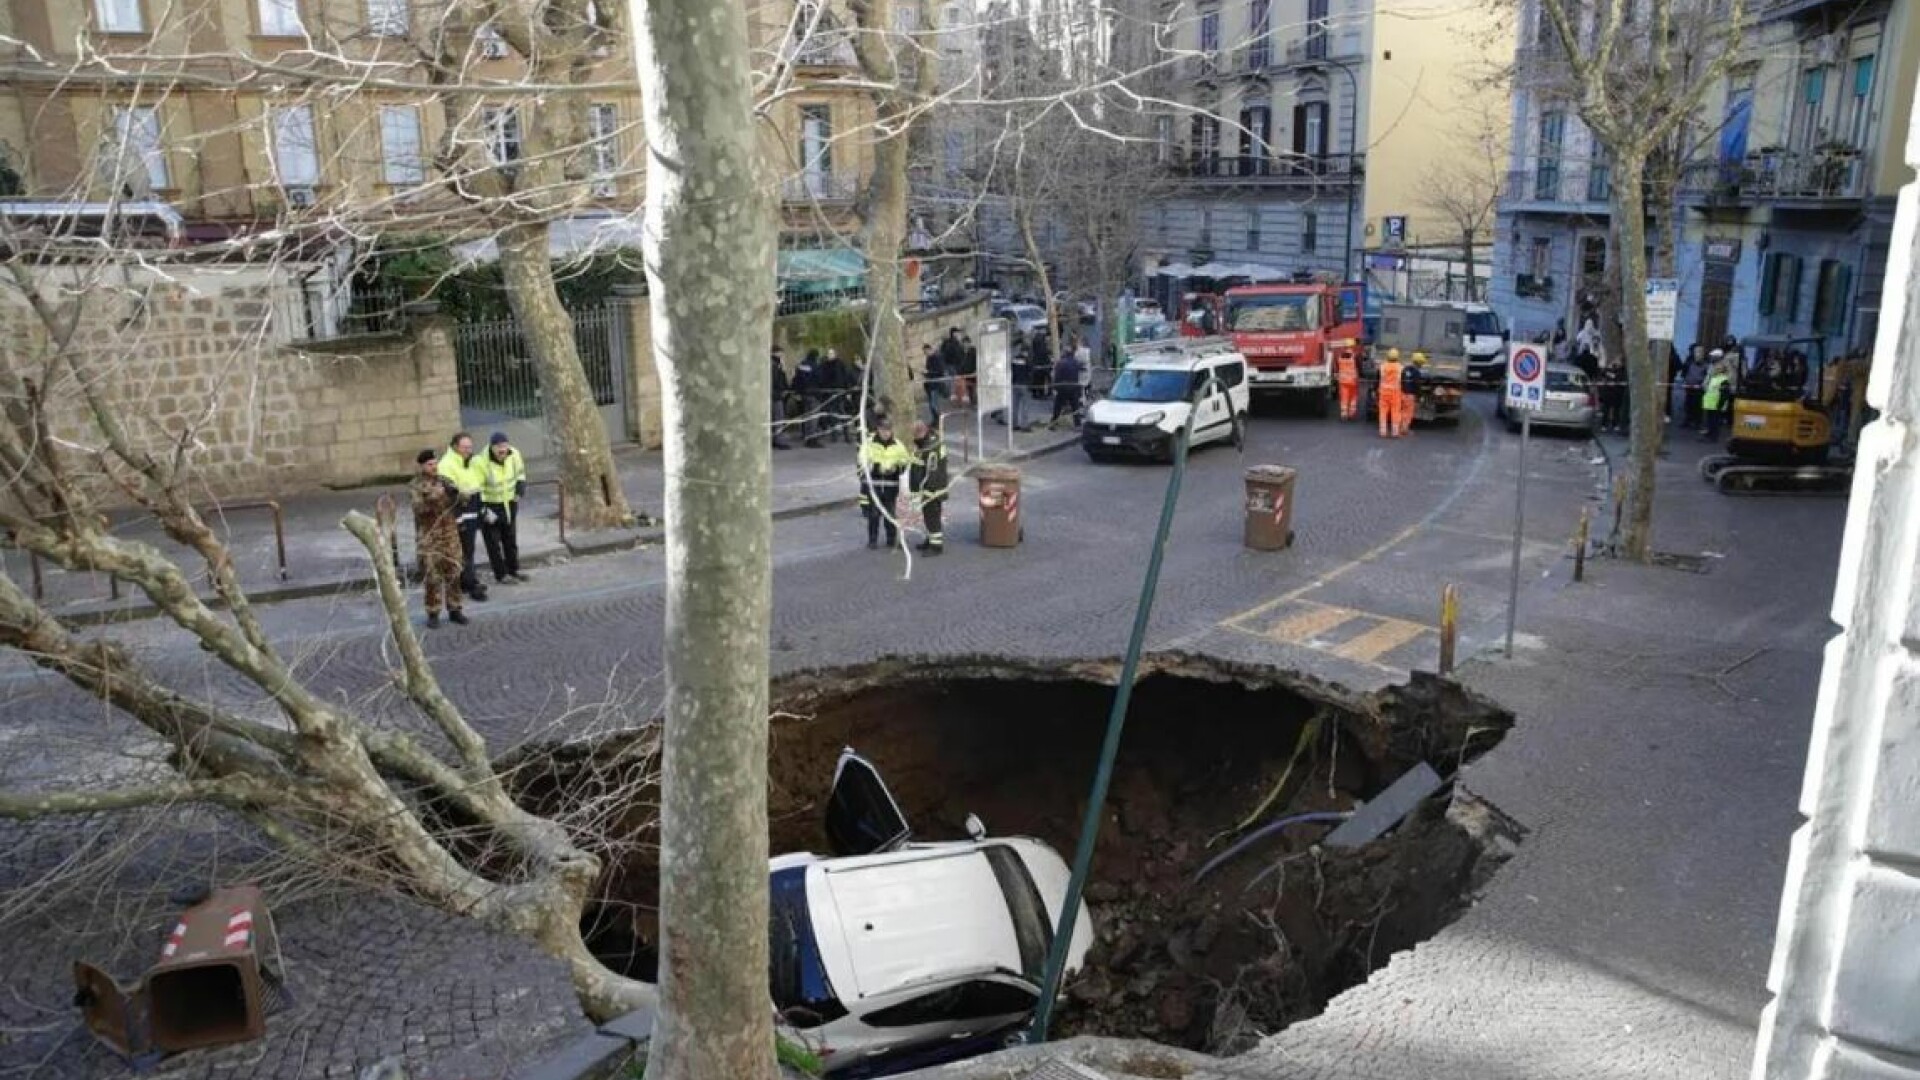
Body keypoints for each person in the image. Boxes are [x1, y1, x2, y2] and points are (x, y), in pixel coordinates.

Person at [410, 450, 469, 628]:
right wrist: (438, 495)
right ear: (422, 466)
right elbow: (419, 509)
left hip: (450, 535)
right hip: (430, 538)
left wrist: (458, 494)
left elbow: (463, 500)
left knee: (454, 573)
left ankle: (455, 609)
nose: (434, 467)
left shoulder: (445, 480)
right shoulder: (416, 485)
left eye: (435, 463)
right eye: (430, 464)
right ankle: (433, 612)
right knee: (432, 577)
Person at [437, 432, 489, 602]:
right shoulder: (447, 464)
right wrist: (458, 519)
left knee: (469, 550)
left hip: (472, 511)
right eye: (465, 447)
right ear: (455, 447)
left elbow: (478, 484)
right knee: (461, 552)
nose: (469, 450)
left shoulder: (471, 461)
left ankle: (467, 582)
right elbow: (450, 494)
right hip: (459, 514)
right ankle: (469, 583)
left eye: (470, 447)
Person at [478, 432, 529, 585]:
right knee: (493, 544)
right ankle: (501, 574)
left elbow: (520, 474)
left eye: (505, 446)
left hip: (509, 504)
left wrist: (520, 490)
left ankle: (514, 570)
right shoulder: (481, 461)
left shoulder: (514, 454)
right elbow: (477, 487)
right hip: (490, 507)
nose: (502, 450)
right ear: (491, 448)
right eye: (499, 447)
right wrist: (483, 510)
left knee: (510, 540)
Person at [856, 417, 913, 549]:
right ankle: (872, 540)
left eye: (888, 430)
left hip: (891, 485)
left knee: (890, 515)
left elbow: (905, 463)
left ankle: (891, 539)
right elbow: (862, 462)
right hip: (874, 484)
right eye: (883, 430)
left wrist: (896, 469)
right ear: (878, 430)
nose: (886, 433)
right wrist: (877, 468)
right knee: (874, 514)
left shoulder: (898, 445)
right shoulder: (869, 444)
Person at [910, 420, 948, 555]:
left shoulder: (930, 448)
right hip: (930, 487)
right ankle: (931, 539)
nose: (913, 439)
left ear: (922, 432)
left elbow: (931, 472)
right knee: (928, 515)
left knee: (932, 516)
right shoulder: (929, 442)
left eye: (915, 436)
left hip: (932, 489)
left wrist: (927, 491)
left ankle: (936, 546)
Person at [820, 348, 855, 443]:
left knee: (842, 414)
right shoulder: (824, 365)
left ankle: (847, 435)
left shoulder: (840, 364)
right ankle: (834, 435)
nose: (830, 355)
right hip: (829, 393)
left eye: (831, 353)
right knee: (832, 415)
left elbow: (846, 378)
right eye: (828, 353)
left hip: (840, 392)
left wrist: (847, 391)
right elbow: (822, 379)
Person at [792, 348, 824, 446]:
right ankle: (812, 439)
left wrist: (798, 392)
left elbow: (796, 379)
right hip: (814, 393)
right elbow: (820, 379)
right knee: (814, 417)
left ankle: (806, 436)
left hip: (804, 394)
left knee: (807, 416)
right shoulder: (815, 366)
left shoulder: (801, 365)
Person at [1050, 340, 1084, 428]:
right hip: (1073, 387)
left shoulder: (1060, 363)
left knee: (1058, 406)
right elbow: (1080, 370)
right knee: (1075, 406)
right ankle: (1077, 424)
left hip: (1062, 387)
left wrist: (1055, 387)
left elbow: (1057, 376)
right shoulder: (1075, 362)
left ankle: (1053, 422)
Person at [1377, 347, 1405, 439]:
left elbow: (1380, 377)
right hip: (1395, 393)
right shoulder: (1400, 367)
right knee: (1395, 412)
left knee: (1383, 412)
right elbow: (1402, 380)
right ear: (1397, 357)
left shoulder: (1383, 366)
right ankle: (1395, 432)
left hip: (1384, 392)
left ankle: (1383, 431)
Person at [1702, 361, 1732, 441]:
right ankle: (1709, 434)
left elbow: (1725, 394)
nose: (1716, 369)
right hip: (1710, 404)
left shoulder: (1724, 380)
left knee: (1715, 422)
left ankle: (1713, 437)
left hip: (1717, 404)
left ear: (1722, 370)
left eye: (1719, 368)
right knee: (1710, 421)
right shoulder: (1714, 378)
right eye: (1716, 368)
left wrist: (1720, 404)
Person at [939, 328, 969, 406]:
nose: (958, 335)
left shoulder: (956, 343)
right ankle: (957, 400)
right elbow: (946, 354)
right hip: (953, 366)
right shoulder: (950, 343)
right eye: (957, 333)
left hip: (957, 366)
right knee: (956, 383)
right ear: (953, 333)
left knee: (957, 383)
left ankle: (959, 400)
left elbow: (961, 354)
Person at [1598, 353, 1627, 433]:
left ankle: (1615, 424)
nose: (1616, 363)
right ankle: (1604, 424)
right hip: (1608, 393)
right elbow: (1602, 374)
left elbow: (1620, 379)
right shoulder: (1608, 370)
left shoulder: (1622, 371)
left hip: (1617, 393)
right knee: (1606, 410)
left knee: (1616, 410)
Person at [770, 345, 792, 450]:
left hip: (775, 395)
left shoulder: (774, 364)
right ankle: (779, 441)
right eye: (781, 353)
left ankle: (775, 439)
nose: (782, 356)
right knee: (778, 418)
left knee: (775, 418)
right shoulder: (775, 365)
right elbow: (778, 381)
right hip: (776, 396)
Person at [921, 341, 948, 423]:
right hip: (930, 384)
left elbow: (940, 371)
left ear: (929, 349)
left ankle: (939, 419)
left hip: (935, 384)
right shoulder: (929, 358)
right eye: (924, 353)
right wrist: (925, 373)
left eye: (926, 352)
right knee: (931, 404)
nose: (926, 354)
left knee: (934, 404)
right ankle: (935, 419)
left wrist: (928, 372)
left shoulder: (937, 357)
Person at [1334, 345, 1360, 420]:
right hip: (1353, 381)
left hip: (1343, 382)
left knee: (1344, 398)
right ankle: (1351, 414)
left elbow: (1337, 369)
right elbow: (1358, 367)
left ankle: (1344, 414)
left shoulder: (1340, 359)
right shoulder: (1354, 358)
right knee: (1353, 398)